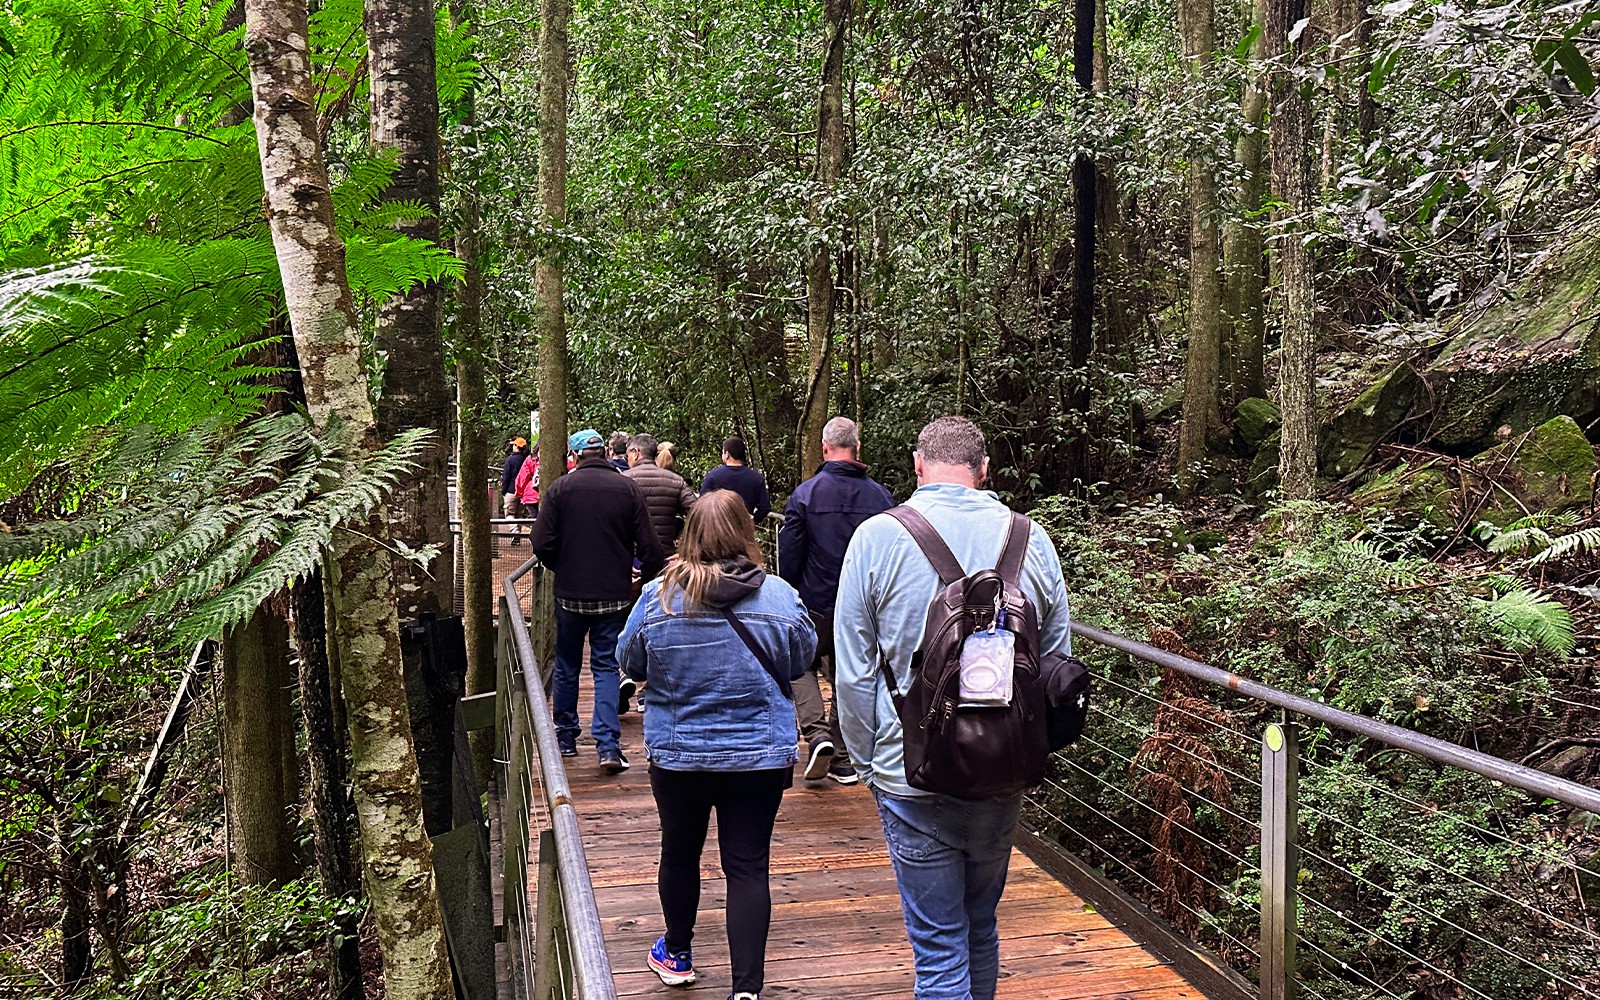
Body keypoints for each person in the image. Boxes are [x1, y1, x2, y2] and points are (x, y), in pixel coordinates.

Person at [834, 416, 1072, 1000]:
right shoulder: (1029, 538)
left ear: (917, 465)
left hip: (909, 770)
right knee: (981, 926)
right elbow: (1057, 664)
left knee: (939, 945)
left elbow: (853, 669)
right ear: (984, 469)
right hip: (1001, 769)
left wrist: (870, 764)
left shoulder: (877, 538)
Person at [619, 489, 815, 1000]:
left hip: (680, 753)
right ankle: (746, 990)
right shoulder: (779, 595)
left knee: (679, 851)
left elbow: (630, 661)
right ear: (745, 535)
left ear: (690, 536)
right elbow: (800, 660)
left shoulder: (659, 596)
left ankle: (677, 953)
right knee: (747, 865)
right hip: (759, 755)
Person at [532, 428, 665, 773]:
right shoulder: (627, 488)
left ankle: (565, 738)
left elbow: (541, 540)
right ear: (605, 453)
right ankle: (607, 746)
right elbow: (650, 547)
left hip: (570, 594)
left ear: (575, 457)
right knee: (606, 666)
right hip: (614, 594)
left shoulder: (560, 489)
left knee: (566, 664)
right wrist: (644, 578)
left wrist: (557, 565)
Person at [778, 416, 893, 785]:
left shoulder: (806, 495)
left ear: (825, 449)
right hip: (863, 606)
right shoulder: (882, 497)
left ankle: (816, 735)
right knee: (852, 674)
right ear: (856, 448)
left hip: (815, 602)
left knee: (799, 665)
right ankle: (843, 758)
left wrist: (789, 595)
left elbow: (790, 555)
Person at [624, 432, 698, 555]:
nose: (627, 461)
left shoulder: (623, 480)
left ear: (635, 453)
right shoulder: (676, 481)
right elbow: (699, 514)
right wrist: (686, 551)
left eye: (627, 456)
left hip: (632, 557)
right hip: (666, 556)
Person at [700, 436, 771, 522]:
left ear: (727, 454)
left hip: (718, 527)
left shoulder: (713, 476)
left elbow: (702, 503)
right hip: (743, 529)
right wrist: (752, 521)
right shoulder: (756, 478)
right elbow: (765, 507)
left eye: (723, 452)